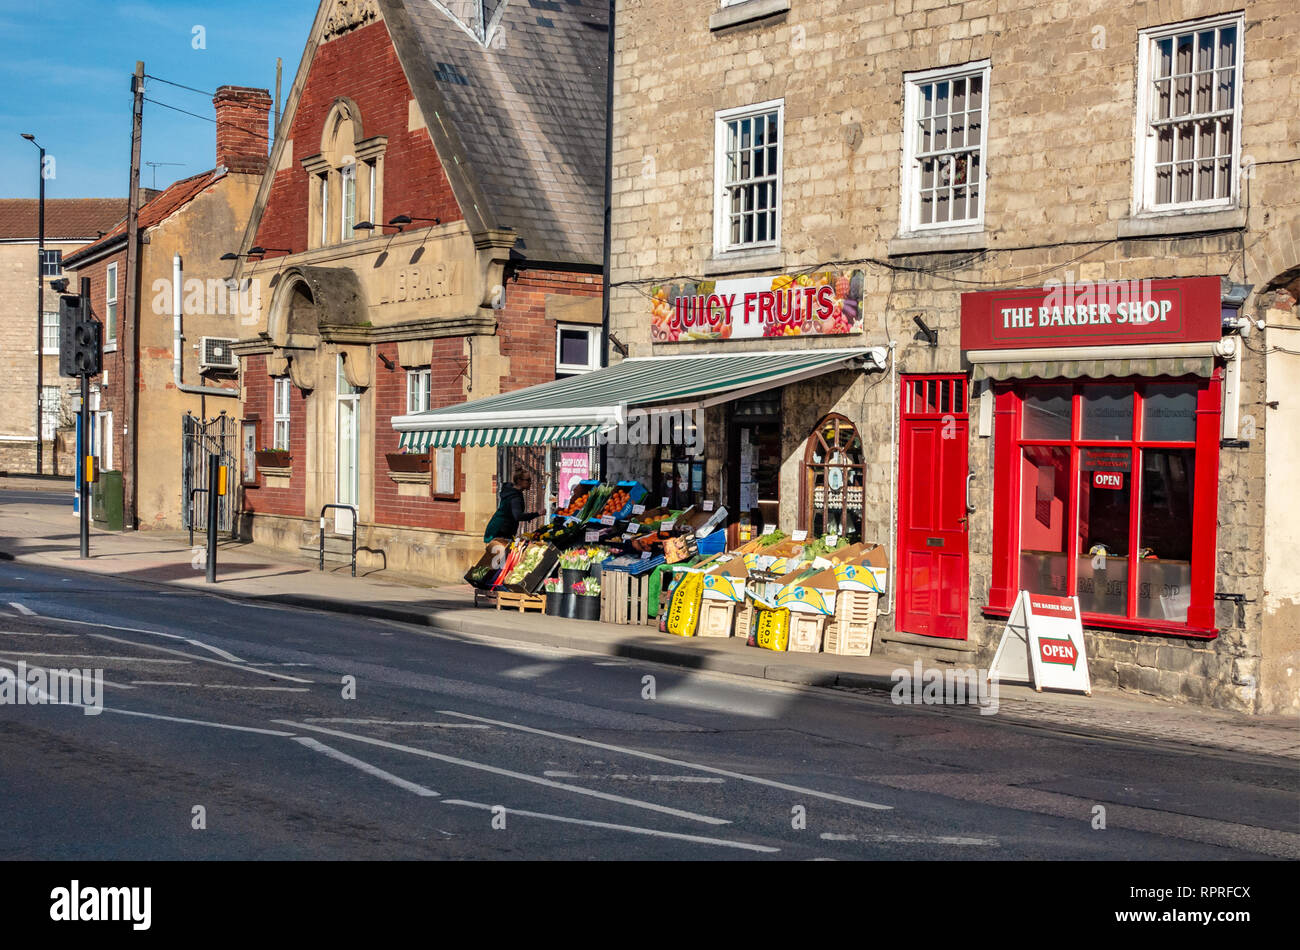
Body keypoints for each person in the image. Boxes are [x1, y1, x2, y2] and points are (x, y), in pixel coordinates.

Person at [483, 472, 539, 542]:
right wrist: (537, 514)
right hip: (500, 531)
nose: (530, 482)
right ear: (519, 481)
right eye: (528, 480)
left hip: (500, 528)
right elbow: (518, 516)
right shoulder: (515, 497)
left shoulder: (512, 491)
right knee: (499, 552)